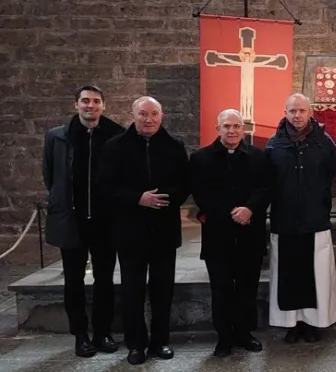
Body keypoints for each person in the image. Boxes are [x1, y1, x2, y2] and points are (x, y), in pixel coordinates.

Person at [97, 96, 190, 365]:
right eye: (142, 114)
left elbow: (185, 185)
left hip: (164, 230)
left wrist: (164, 198)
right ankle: (135, 344)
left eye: (153, 114)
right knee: (132, 291)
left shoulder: (174, 147)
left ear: (162, 116)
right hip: (130, 231)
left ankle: (160, 342)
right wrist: (137, 198)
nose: (148, 119)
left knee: (163, 291)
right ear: (133, 115)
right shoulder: (114, 147)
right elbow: (104, 187)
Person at [42, 85, 124, 357]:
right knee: (73, 282)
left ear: (103, 105)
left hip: (105, 222)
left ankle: (102, 333)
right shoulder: (58, 137)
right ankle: (80, 335)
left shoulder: (117, 135)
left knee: (104, 280)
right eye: (85, 101)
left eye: (96, 101)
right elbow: (51, 176)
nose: (91, 106)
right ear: (76, 104)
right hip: (73, 221)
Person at [189, 109, 270, 358]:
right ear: (218, 128)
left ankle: (244, 334)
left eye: (236, 126)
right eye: (226, 126)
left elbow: (266, 187)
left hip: (250, 233)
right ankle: (223, 338)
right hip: (218, 234)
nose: (232, 131)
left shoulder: (258, 156)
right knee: (221, 288)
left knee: (247, 287)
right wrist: (229, 211)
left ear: (243, 129)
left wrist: (250, 209)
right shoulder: (201, 158)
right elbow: (200, 193)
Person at [265, 93, 336, 343]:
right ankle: (291, 323)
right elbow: (269, 179)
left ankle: (313, 323)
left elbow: (330, 172)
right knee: (288, 274)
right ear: (285, 112)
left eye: (301, 111)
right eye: (292, 111)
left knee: (315, 274)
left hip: (313, 218)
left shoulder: (324, 142)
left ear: (310, 112)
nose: (297, 116)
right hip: (284, 219)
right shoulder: (274, 143)